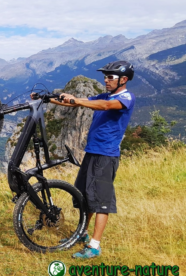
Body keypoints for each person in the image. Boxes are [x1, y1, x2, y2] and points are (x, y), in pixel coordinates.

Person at [34, 60, 135, 259]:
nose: (106, 80)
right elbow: (76, 101)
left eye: (110, 77)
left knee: (100, 202)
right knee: (85, 197)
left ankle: (95, 246)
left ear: (123, 80)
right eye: (105, 77)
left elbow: (105, 106)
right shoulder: (104, 95)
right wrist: (47, 99)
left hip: (106, 156)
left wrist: (76, 100)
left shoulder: (126, 97)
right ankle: (82, 233)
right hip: (92, 152)